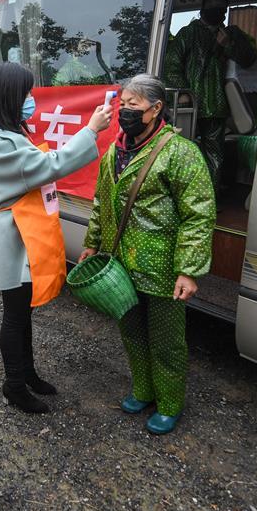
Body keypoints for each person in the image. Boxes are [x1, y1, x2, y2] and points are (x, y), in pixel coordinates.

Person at [80, 74, 215, 434]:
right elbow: (101, 203)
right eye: (122, 104)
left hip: (163, 269)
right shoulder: (114, 150)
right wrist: (92, 242)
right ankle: (142, 389)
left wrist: (188, 270)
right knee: (132, 332)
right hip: (121, 265)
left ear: (155, 109)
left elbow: (198, 214)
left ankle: (170, 402)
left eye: (133, 105)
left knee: (167, 341)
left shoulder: (181, 153)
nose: (124, 111)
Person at [0, 62, 113, 414]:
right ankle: (13, 385)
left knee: (23, 311)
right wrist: (90, 130)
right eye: (25, 93)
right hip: (13, 235)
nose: (30, 99)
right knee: (15, 314)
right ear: (9, 97)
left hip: (24, 229)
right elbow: (51, 165)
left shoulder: (9, 132)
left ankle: (27, 374)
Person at [163, 0, 256, 191]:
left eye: (222, 8)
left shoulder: (230, 34)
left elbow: (249, 59)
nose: (219, 12)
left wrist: (227, 45)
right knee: (181, 148)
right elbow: (171, 66)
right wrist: (184, 93)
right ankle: (181, 193)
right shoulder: (188, 33)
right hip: (190, 104)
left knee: (215, 154)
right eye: (214, 6)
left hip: (216, 104)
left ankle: (209, 197)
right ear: (204, 7)